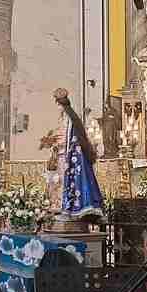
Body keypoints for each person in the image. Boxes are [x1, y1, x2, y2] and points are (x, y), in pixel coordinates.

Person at [53, 88, 104, 222]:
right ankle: (67, 208)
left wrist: (61, 144)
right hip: (66, 154)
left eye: (57, 104)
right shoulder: (67, 117)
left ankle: (74, 209)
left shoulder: (70, 119)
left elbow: (69, 138)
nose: (57, 108)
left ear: (60, 104)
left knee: (75, 180)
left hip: (73, 156)